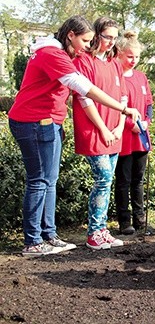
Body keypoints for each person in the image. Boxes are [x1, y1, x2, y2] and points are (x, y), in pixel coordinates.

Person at [8, 15, 140, 257]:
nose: (88, 47)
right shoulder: (53, 55)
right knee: (39, 181)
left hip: (48, 122)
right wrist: (123, 109)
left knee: (49, 180)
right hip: (34, 121)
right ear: (70, 35)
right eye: (86, 40)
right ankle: (33, 241)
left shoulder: (62, 54)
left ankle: (49, 235)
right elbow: (84, 89)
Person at [72, 17, 128, 250]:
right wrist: (103, 129)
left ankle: (102, 230)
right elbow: (84, 98)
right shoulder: (83, 61)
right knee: (103, 179)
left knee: (107, 181)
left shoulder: (114, 63)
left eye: (114, 38)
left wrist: (120, 126)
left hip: (114, 131)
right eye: (107, 37)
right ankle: (95, 232)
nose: (111, 42)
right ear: (96, 35)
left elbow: (123, 97)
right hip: (95, 132)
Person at [114, 31, 153, 235]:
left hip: (141, 136)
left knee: (138, 180)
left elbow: (149, 104)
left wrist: (146, 122)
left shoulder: (141, 77)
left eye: (137, 57)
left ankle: (140, 218)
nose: (134, 61)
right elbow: (113, 107)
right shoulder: (116, 76)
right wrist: (131, 124)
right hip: (124, 137)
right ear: (120, 53)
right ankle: (124, 220)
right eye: (130, 57)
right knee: (123, 181)